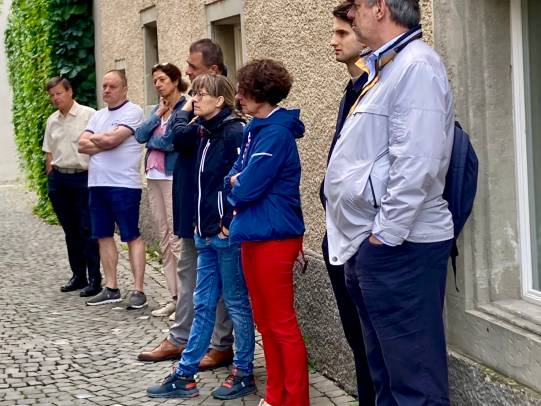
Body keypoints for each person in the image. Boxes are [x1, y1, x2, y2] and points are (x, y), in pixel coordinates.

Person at [325, 0, 455, 404]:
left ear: (380, 7)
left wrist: (384, 238)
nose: (351, 15)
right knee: (386, 377)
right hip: (376, 246)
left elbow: (417, 162)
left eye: (357, 7)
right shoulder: (388, 67)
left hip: (400, 248)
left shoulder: (416, 66)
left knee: (413, 384)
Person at [147, 74, 255, 400]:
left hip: (224, 235)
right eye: (193, 93)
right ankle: (185, 375)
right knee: (203, 303)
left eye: (201, 94)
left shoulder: (234, 132)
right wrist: (198, 222)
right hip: (204, 233)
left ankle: (243, 372)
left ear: (219, 100)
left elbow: (242, 180)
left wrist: (227, 221)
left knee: (235, 302)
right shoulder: (202, 131)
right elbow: (185, 157)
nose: (194, 99)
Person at [137, 39, 235, 368]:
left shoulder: (218, 115)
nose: (187, 72)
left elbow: (171, 139)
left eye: (193, 67)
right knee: (189, 270)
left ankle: (219, 343)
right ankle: (183, 338)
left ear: (214, 71)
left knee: (216, 279)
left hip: (211, 211)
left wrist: (182, 114)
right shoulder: (194, 107)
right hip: (190, 203)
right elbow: (173, 138)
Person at [226, 59, 309, 406]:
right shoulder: (255, 129)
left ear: (259, 93)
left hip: (274, 236)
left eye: (244, 90)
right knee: (265, 322)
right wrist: (237, 180)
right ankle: (276, 397)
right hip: (255, 233)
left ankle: (296, 400)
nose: (238, 97)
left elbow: (246, 188)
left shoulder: (274, 134)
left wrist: (237, 182)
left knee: (281, 323)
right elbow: (233, 176)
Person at [319, 2, 375, 404]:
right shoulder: (351, 90)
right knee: (356, 337)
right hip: (339, 234)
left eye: (342, 33)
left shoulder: (375, 88)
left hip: (365, 237)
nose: (333, 41)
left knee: (374, 342)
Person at [78, 69, 147, 309]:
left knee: (131, 235)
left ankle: (138, 290)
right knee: (103, 235)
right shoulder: (98, 115)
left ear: (125, 89)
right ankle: (111, 288)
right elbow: (81, 145)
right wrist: (106, 141)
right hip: (97, 183)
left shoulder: (133, 111)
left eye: (112, 86)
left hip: (123, 185)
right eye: (104, 86)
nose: (106, 90)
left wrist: (103, 140)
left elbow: (111, 140)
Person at [135, 63, 187, 317]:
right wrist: (156, 115)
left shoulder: (184, 108)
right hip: (153, 177)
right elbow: (139, 135)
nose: (157, 84)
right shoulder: (160, 109)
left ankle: (187, 302)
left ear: (175, 81)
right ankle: (174, 297)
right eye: (155, 80)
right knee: (164, 238)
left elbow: (170, 142)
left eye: (162, 79)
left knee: (177, 239)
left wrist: (152, 141)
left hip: (172, 177)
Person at [42, 76, 101, 297]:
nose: (55, 98)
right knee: (70, 230)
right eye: (52, 95)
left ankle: (95, 279)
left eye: (59, 93)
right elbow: (49, 152)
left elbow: (98, 145)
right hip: (60, 179)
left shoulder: (89, 115)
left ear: (70, 92)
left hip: (83, 177)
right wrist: (51, 178)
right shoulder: (52, 121)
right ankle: (78, 276)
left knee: (88, 229)